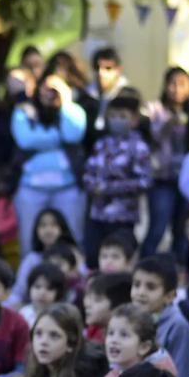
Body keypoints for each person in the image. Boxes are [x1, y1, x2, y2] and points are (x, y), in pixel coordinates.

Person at [12, 73, 88, 252]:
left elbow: (73, 135)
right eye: (46, 88)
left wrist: (66, 101)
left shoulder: (73, 111)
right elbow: (25, 140)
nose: (50, 93)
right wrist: (57, 137)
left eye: (55, 89)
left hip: (67, 189)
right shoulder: (24, 111)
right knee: (29, 240)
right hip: (30, 189)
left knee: (72, 238)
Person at [83, 95, 152, 268]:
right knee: (93, 257)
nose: (116, 120)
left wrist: (109, 188)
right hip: (98, 214)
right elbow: (88, 172)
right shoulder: (101, 144)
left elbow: (144, 181)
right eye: (113, 116)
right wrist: (92, 185)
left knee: (118, 261)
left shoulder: (139, 147)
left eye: (122, 116)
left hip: (123, 216)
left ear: (134, 120)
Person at [142, 67, 189, 261]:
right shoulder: (154, 110)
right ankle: (145, 265)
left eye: (182, 84)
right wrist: (169, 123)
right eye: (172, 84)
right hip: (161, 179)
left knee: (182, 231)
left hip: (187, 179)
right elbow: (153, 137)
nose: (176, 89)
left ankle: (178, 272)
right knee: (158, 227)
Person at [132, 256, 189, 377]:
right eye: (136, 285)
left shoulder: (179, 327)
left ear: (170, 296)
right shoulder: (132, 319)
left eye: (151, 287)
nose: (140, 292)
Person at [10, 208, 76, 307]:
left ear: (62, 229)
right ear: (36, 230)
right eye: (43, 225)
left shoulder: (74, 254)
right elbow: (19, 293)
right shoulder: (31, 259)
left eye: (54, 225)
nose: (48, 230)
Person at [85, 47, 130, 149]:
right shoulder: (85, 98)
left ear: (118, 70)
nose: (101, 73)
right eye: (97, 68)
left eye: (108, 68)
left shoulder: (128, 97)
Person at [83, 272, 133, 343]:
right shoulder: (93, 330)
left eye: (97, 300)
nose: (87, 305)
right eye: (89, 297)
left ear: (118, 307)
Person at [18, 263, 67, 327]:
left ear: (58, 292)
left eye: (49, 288)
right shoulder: (23, 313)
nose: (42, 293)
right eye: (37, 287)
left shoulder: (62, 316)